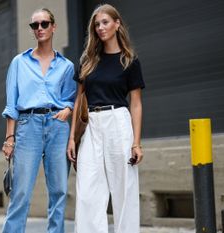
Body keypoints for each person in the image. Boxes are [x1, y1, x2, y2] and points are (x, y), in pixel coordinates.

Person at [67, 4, 145, 233]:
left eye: (105, 22)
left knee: (124, 190)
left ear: (117, 23)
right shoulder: (88, 60)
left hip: (118, 122)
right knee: (87, 192)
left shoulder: (129, 61)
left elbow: (137, 104)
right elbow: (78, 100)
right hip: (91, 125)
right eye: (97, 24)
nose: (100, 28)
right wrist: (72, 138)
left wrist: (136, 142)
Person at [1, 8, 76, 233]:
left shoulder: (67, 66)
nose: (40, 28)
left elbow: (71, 97)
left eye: (44, 24)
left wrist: (68, 109)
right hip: (27, 125)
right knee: (21, 191)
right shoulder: (19, 63)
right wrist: (9, 138)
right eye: (35, 25)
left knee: (59, 191)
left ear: (53, 26)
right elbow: (11, 103)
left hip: (57, 127)